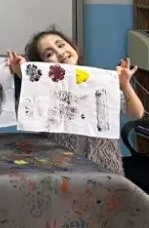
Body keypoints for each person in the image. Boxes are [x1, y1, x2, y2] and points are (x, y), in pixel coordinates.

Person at [8, 28, 145, 174]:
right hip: (63, 171)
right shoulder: (43, 92)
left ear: (73, 47)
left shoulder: (100, 81)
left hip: (106, 168)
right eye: (49, 54)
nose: (60, 52)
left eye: (61, 45)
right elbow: (29, 118)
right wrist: (24, 77)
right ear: (42, 64)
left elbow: (137, 113)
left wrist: (125, 85)